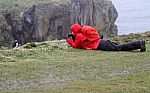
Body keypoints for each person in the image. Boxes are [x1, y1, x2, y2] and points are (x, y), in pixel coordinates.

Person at [66, 24, 146, 52]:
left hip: (101, 45)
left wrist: (69, 40)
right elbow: (82, 44)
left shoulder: (80, 36)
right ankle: (139, 44)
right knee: (119, 46)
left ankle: (139, 44)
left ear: (75, 30)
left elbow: (76, 45)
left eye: (72, 31)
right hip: (102, 42)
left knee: (119, 48)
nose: (72, 32)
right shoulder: (82, 33)